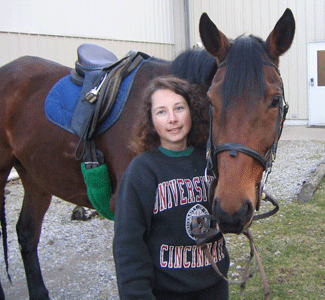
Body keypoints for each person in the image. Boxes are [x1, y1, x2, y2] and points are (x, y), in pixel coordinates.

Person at [113, 76, 229, 299]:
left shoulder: (211, 160)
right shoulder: (142, 171)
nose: (173, 119)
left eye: (179, 108)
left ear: (192, 112)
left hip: (215, 286)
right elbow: (128, 244)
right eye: (161, 112)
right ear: (151, 121)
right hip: (167, 292)